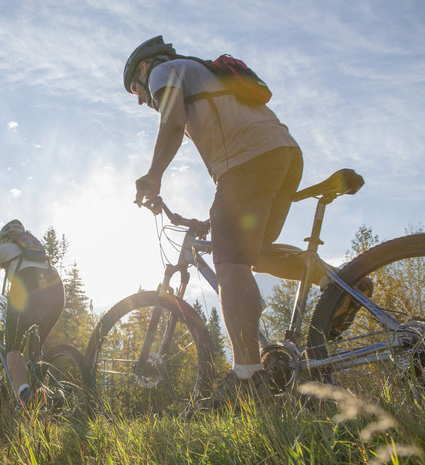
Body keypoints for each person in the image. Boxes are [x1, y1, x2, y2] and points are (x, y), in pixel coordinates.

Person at [125, 36, 305, 409]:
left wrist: (154, 175)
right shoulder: (201, 70)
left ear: (144, 69)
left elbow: (172, 121)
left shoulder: (163, 70)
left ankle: (248, 375)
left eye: (135, 91)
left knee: (230, 263)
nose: (142, 100)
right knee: (251, 254)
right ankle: (336, 282)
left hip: (246, 161)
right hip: (282, 152)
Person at [0, 220, 65, 405]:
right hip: (56, 289)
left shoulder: (2, 250)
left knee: (13, 348)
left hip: (27, 286)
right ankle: (46, 398)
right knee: (37, 350)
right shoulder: (35, 250)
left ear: (2, 239)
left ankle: (25, 394)